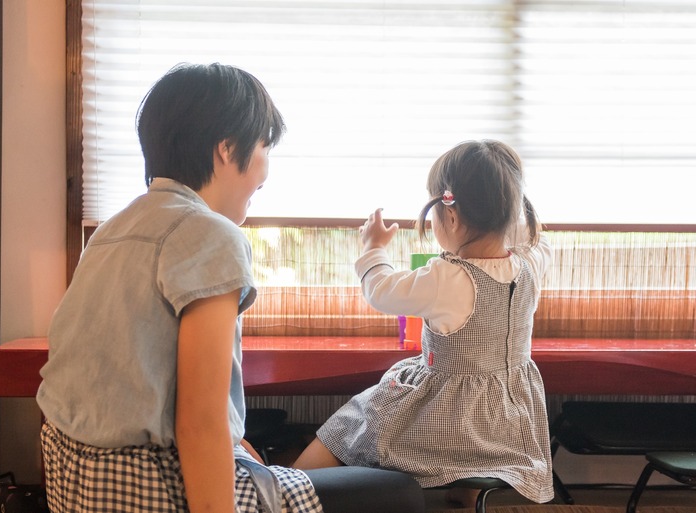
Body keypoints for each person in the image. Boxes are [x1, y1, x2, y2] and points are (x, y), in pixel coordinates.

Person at [35, 62, 424, 513]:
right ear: (226, 149)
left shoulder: (114, 228)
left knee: (284, 468)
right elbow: (200, 422)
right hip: (153, 484)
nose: (265, 167)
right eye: (262, 145)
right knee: (397, 492)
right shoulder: (210, 233)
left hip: (75, 482)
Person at [293, 139, 555, 506]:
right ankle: (464, 498)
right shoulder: (532, 264)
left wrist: (373, 248)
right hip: (506, 424)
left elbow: (381, 289)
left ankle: (292, 486)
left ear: (450, 215)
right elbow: (535, 239)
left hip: (445, 421)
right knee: (470, 456)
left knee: (353, 421)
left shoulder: (448, 277)